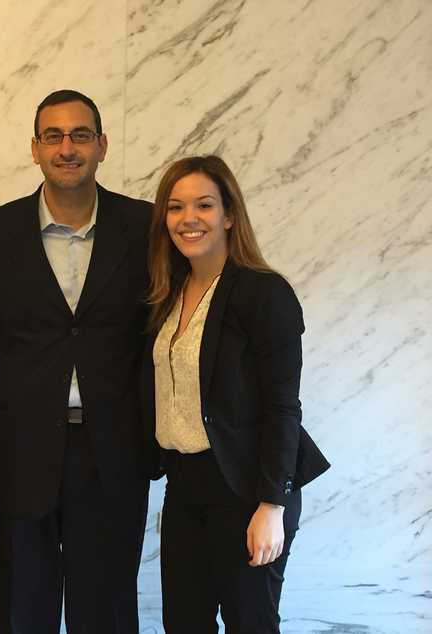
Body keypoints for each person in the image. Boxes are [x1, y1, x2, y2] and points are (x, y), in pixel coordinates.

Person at [0, 89, 152, 634]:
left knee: (109, 605)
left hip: (113, 448)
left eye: (80, 135)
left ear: (102, 146)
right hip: (19, 449)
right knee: (23, 603)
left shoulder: (145, 226)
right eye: (54, 136)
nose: (66, 147)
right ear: (34, 148)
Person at [143, 155, 330, 633]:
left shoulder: (264, 294)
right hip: (185, 488)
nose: (189, 218)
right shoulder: (169, 293)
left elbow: (283, 407)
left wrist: (271, 505)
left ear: (229, 215)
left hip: (249, 487)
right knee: (183, 623)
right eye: (176, 207)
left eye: (204, 205)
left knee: (251, 623)